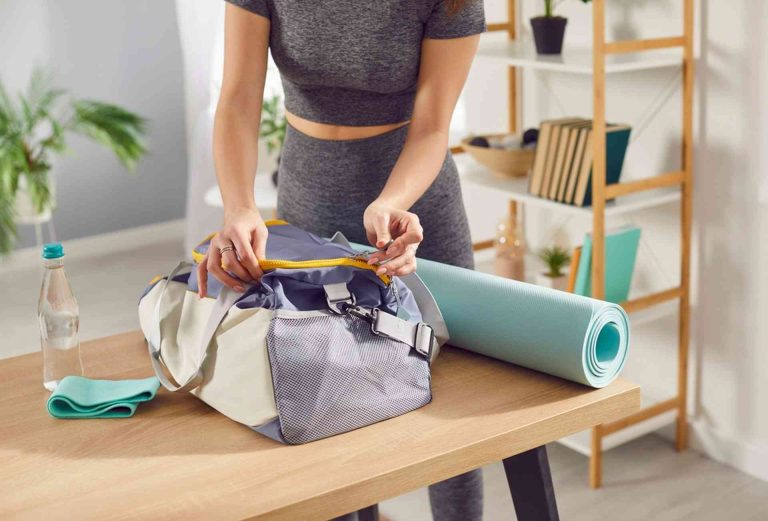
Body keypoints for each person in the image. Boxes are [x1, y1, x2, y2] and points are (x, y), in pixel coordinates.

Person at [197, 1, 486, 519]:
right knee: (326, 402)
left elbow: (432, 127)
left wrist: (391, 201)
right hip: (308, 201)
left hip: (413, 209)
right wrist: (240, 206)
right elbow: (238, 98)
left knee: (456, 413)